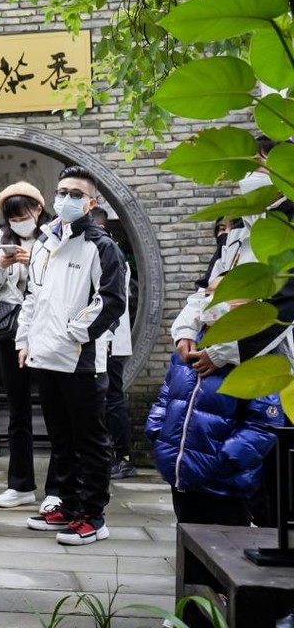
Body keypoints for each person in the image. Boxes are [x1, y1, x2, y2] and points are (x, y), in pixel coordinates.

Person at [17, 166, 125, 546]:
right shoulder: (45, 243)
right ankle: (65, 504)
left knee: (90, 440)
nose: (66, 199)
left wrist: (70, 333)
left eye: (75, 194)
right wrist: (25, 341)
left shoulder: (102, 246)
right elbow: (34, 297)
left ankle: (93, 516)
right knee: (60, 438)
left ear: (91, 202)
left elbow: (110, 302)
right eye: (62, 191)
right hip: (44, 357)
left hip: (81, 360)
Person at [147, 277, 284, 525]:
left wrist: (226, 459)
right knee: (189, 539)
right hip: (181, 472)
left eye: (224, 296)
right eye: (209, 294)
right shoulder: (189, 344)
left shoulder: (255, 354)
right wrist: (157, 431)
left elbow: (263, 422)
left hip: (222, 483)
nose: (213, 302)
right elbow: (167, 394)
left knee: (224, 547)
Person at [0, 181, 60, 511]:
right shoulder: (1, 242)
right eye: (11, 216)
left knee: (56, 409)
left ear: (38, 210)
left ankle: (57, 488)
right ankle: (20, 484)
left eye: (22, 213)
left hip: (47, 329)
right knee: (18, 408)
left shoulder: (55, 238)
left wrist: (37, 261)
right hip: (11, 332)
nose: (17, 221)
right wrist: (1, 265)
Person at [88, 206, 137, 480]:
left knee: (113, 399)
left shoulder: (110, 251)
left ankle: (124, 457)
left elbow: (110, 301)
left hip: (110, 341)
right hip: (104, 339)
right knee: (105, 399)